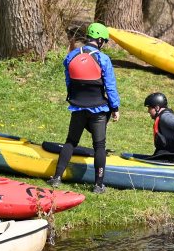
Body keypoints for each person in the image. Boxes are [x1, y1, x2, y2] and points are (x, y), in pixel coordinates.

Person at [47, 22, 120, 194]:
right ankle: (98, 185)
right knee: (99, 146)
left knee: (71, 141)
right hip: (99, 110)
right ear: (100, 40)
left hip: (77, 108)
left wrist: (74, 98)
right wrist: (115, 107)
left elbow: (69, 81)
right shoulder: (103, 59)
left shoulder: (71, 56)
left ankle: (56, 177)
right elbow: (110, 86)